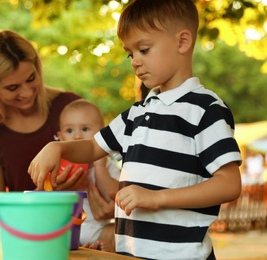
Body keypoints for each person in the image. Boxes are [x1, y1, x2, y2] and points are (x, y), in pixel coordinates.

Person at [28, 0, 243, 259]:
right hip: (129, 252)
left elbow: (229, 184)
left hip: (182, 255)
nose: (135, 62)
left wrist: (156, 198)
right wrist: (57, 147)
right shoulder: (138, 112)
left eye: (143, 49)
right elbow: (94, 146)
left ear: (182, 42)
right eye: (131, 54)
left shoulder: (206, 109)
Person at [0, 29, 84, 197]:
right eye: (13, 87)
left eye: (31, 79)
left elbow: (101, 159)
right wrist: (45, 194)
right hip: (24, 223)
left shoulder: (70, 106)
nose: (27, 93)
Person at [56, 99, 119, 251]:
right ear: (60, 137)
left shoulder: (108, 164)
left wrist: (100, 169)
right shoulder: (58, 166)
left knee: (121, 232)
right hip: (67, 229)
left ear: (102, 134)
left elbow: (116, 194)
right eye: (69, 131)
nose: (77, 136)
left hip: (100, 229)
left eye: (85, 129)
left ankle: (102, 247)